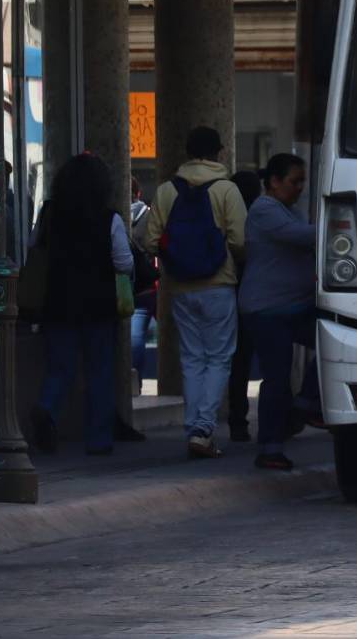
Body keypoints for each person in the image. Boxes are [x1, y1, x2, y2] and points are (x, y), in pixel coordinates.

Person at [140, 126, 247, 459]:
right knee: (219, 357)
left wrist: (176, 257)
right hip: (219, 285)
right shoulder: (227, 190)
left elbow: (149, 241)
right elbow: (241, 241)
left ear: (186, 153)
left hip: (180, 287)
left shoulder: (167, 191)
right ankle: (203, 428)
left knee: (192, 358)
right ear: (218, 152)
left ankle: (193, 428)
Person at [30, 153, 135, 456]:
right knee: (100, 371)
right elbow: (124, 262)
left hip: (58, 302)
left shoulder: (50, 213)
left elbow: (34, 247)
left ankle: (47, 407)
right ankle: (98, 438)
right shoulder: (109, 218)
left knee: (59, 368)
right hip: (98, 305)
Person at [240, 152, 323, 471]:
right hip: (267, 310)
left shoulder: (291, 211)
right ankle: (270, 447)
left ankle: (303, 406)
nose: (299, 188)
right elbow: (302, 237)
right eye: (294, 181)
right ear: (274, 182)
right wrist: (340, 225)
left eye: (302, 182)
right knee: (276, 378)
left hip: (296, 305)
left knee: (333, 341)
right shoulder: (264, 210)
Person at [227, 169, 263, 444]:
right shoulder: (262, 217)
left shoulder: (228, 216)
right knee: (274, 360)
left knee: (238, 362)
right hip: (263, 297)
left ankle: (237, 420)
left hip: (232, 291)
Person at [128, 177, 158, 388]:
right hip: (143, 286)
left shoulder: (110, 216)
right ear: (138, 193)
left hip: (113, 286)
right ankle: (134, 381)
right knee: (136, 336)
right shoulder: (148, 215)